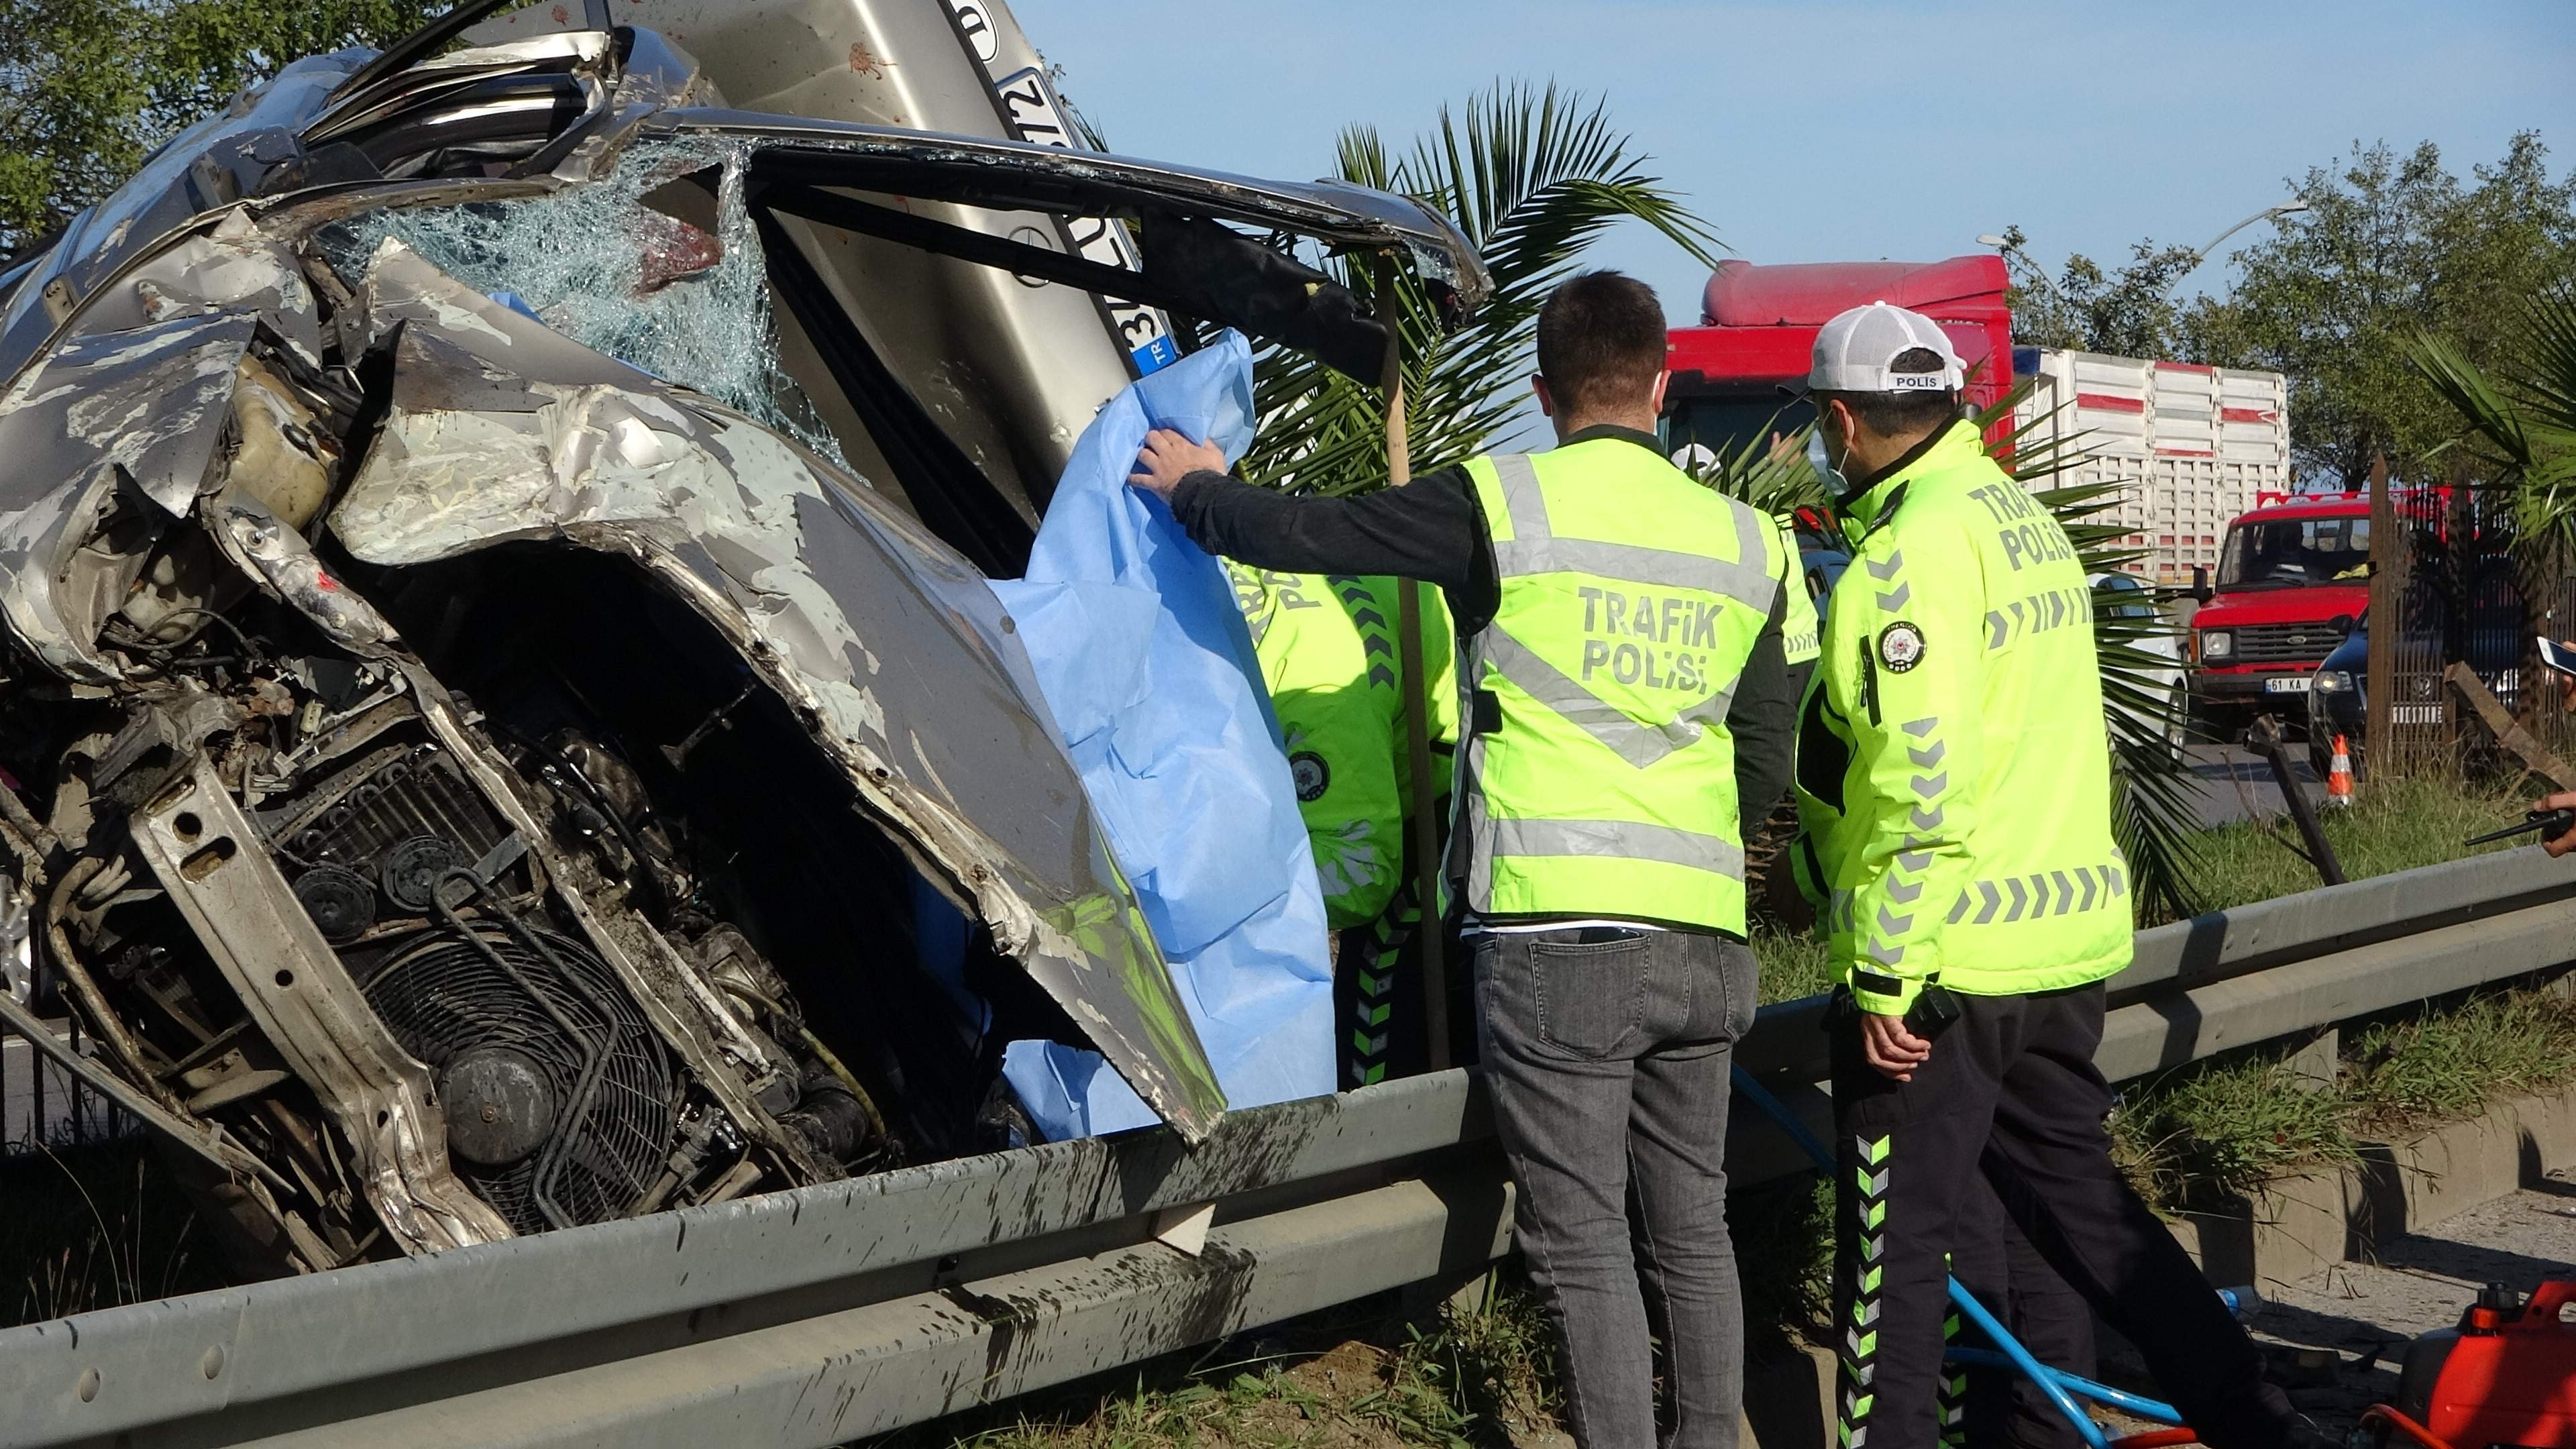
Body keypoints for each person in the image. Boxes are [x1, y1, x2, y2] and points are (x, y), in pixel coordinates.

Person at [1130, 270, 1796, 1449]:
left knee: (1582, 1237)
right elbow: (1766, 755)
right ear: (1664, 385)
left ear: (1544, 391)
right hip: (1705, 940)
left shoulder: (1505, 504)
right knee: (1694, 1227)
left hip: (1559, 936)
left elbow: (1311, 537)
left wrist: (1198, 492)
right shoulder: (1748, 542)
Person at [1788, 302, 2308, 1449]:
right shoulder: (2020, 519)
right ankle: (2263, 1427)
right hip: (2056, 954)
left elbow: (1926, 781)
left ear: (1842, 421)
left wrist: (1885, 976)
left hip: (1943, 974)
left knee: (1893, 1264)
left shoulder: (1909, 557)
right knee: (2082, 1228)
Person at [1225, 562, 1457, 1084]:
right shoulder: (1224, 590)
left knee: (1379, 972)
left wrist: (1230, 901)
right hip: (1391, 730)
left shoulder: (1311, 690)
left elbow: (1364, 870)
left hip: (1458, 786)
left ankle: (1386, 1151)